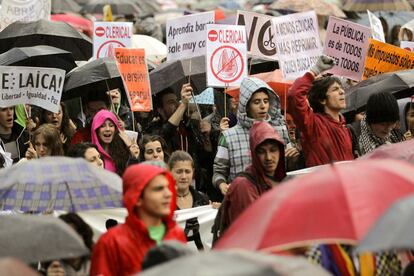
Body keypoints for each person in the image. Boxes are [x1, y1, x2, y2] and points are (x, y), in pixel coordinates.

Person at [90, 163, 186, 275]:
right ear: (137, 197)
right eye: (158, 189)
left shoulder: (177, 234)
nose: (169, 194)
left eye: (168, 187)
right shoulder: (111, 242)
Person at [213, 77, 290, 196]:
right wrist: (222, 185)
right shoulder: (228, 136)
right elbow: (218, 172)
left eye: (266, 101)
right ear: (246, 105)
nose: (263, 106)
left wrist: (294, 157)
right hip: (242, 200)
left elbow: (287, 169)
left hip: (275, 199)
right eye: (257, 102)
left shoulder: (280, 131)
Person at [217, 121, 286, 237]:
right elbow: (253, 232)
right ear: (253, 154)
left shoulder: (281, 182)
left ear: (280, 151)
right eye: (261, 152)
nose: (268, 157)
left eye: (273, 150)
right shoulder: (243, 186)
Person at [287, 54, 354, 167]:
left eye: (341, 88)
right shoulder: (313, 125)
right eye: (335, 89)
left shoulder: (345, 127)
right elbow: (294, 95)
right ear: (322, 100)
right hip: (324, 184)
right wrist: (314, 71)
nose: (342, 92)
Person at [169, 150, 209, 250]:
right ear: (169, 172)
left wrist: (217, 210)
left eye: (187, 171)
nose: (183, 176)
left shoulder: (203, 199)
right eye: (179, 172)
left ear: (193, 173)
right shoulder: (163, 201)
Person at [91, 110, 139, 175]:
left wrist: (133, 155)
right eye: (102, 126)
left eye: (111, 125)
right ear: (96, 130)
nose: (107, 129)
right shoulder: (89, 154)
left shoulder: (123, 152)